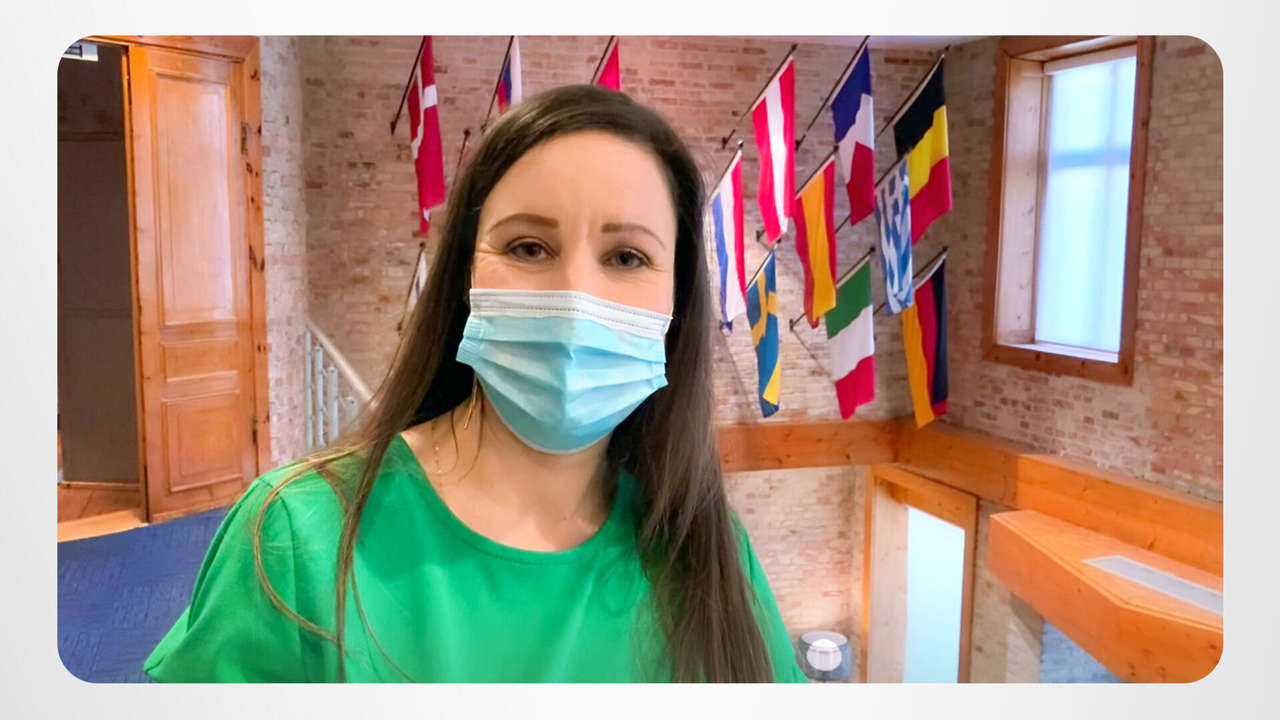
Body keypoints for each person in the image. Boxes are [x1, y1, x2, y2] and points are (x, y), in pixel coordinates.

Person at [143, 84, 809, 683]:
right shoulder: (297, 539)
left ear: (677, 299)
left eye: (627, 257)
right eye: (528, 247)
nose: (575, 299)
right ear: (465, 275)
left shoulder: (707, 552)